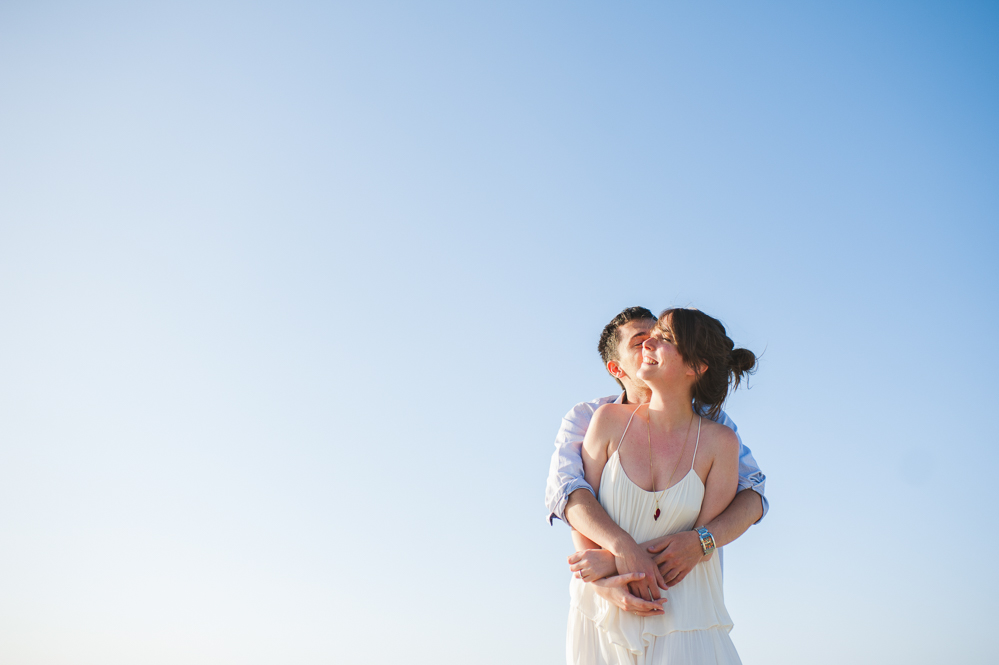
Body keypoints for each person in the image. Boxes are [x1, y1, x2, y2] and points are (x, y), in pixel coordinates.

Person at [563, 307, 759, 664]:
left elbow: (696, 546)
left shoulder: (721, 441)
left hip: (684, 619)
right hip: (603, 621)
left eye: (662, 338)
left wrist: (613, 561)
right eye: (642, 339)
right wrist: (608, 570)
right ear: (617, 369)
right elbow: (574, 497)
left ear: (696, 367)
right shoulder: (602, 421)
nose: (648, 344)